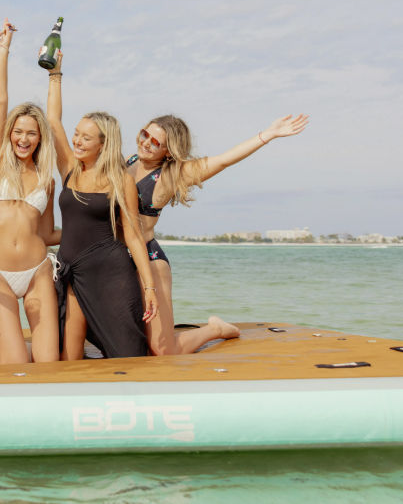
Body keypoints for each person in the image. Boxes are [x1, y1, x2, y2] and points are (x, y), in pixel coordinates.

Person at [127, 113, 308, 355]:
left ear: (168, 151)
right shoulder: (129, 161)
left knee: (162, 349)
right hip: (121, 257)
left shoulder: (171, 175)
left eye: (155, 142)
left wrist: (268, 135)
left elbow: (223, 160)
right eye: (144, 135)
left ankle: (216, 329)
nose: (146, 143)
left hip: (149, 261)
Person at [45, 52, 158, 360]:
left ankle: (216, 330)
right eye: (77, 135)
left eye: (85, 138)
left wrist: (149, 288)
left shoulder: (120, 180)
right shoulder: (69, 167)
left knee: (130, 355)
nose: (77, 141)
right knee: (68, 357)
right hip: (72, 273)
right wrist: (55, 74)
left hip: (109, 274)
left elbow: (133, 236)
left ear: (103, 143)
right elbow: (53, 121)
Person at [0, 19, 59, 365]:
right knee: (16, 366)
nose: (23, 139)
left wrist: (102, 233)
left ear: (41, 139)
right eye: (18, 132)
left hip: (39, 272)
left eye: (32, 134)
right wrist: (4, 50)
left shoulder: (47, 179)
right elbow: (2, 101)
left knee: (49, 363)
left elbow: (48, 232)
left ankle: (0, 349)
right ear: (10, 133)